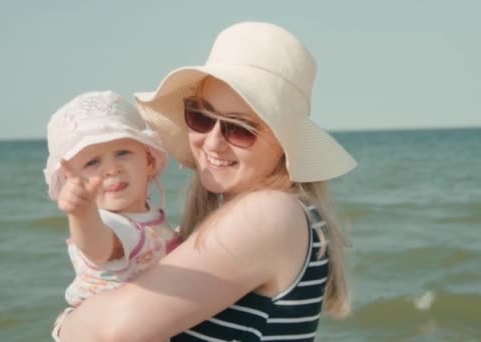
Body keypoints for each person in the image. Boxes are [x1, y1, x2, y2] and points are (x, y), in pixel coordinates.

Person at [56, 21, 357, 342]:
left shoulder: (269, 212)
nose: (212, 143)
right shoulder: (276, 214)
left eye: (239, 128)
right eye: (201, 117)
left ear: (286, 145)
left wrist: (68, 323)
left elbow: (114, 331)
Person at [43, 90, 180, 341]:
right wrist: (81, 214)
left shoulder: (148, 216)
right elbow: (99, 247)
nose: (111, 168)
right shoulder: (110, 223)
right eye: (92, 162)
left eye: (122, 153)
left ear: (149, 161)